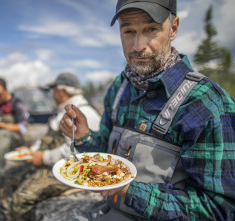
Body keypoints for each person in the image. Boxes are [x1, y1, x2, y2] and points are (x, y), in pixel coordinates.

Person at [60, 0, 235, 220]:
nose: (137, 45)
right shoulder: (119, 88)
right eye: (128, 31)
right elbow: (106, 152)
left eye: (151, 29)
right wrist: (85, 136)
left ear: (173, 28)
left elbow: (219, 208)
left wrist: (127, 189)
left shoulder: (207, 104)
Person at [0, 72, 101, 221]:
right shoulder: (64, 110)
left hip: (72, 171)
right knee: (10, 176)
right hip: (54, 164)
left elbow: (76, 153)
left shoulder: (83, 113)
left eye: (54, 90)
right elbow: (47, 139)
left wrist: (43, 157)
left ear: (62, 91)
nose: (52, 94)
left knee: (21, 198)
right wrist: (30, 151)